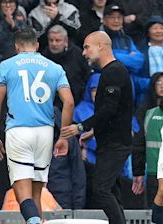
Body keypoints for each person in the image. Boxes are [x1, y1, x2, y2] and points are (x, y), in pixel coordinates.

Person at [0, 28, 74, 223]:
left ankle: (34, 221)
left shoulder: (7, 65)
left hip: (18, 130)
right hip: (45, 131)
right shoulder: (54, 67)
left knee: (22, 194)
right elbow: (69, 102)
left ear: (16, 46)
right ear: (37, 46)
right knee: (37, 194)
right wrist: (63, 137)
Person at [61, 31, 133, 224]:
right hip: (110, 141)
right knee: (112, 192)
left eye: (86, 47)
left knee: (101, 190)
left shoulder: (114, 71)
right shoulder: (109, 72)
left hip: (115, 144)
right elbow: (113, 111)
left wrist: (82, 127)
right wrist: (95, 130)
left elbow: (110, 108)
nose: (84, 53)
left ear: (101, 46)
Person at [132, 72, 163, 206]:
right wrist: (138, 172)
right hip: (153, 173)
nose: (162, 86)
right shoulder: (146, 113)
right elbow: (138, 144)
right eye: (159, 83)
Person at [41, 24, 90, 108]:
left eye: (58, 40)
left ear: (65, 40)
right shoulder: (43, 57)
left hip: (77, 102)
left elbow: (87, 76)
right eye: (51, 40)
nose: (54, 44)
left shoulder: (78, 54)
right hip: (50, 104)